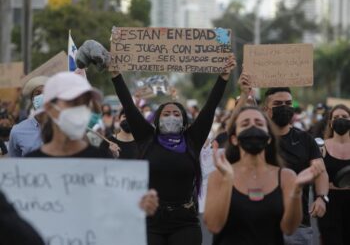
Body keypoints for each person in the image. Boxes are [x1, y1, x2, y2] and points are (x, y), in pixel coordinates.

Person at [109, 55, 236, 245]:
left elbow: (209, 108)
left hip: (184, 221)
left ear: (184, 122)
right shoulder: (146, 138)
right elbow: (128, 105)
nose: (171, 116)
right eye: (166, 114)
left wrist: (223, 77)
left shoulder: (192, 140)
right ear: (157, 120)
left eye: (176, 114)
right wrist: (116, 75)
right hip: (150, 219)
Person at [25, 71, 158, 216]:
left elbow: (116, 209)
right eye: (73, 103)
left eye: (85, 104)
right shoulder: (30, 166)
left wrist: (139, 205)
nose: (80, 110)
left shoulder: (101, 161)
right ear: (50, 108)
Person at [204, 106, 325, 245]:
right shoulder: (219, 176)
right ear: (234, 139)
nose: (253, 127)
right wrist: (227, 180)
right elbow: (214, 225)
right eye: (245, 124)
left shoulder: (286, 177)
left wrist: (296, 191)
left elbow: (289, 228)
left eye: (259, 123)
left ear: (268, 138)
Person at [263, 87, 329, 245]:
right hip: (262, 224)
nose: (284, 107)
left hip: (298, 226)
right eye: (278, 103)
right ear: (266, 109)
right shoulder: (257, 138)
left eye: (288, 103)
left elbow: (320, 171)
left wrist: (321, 198)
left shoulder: (305, 139)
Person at [318, 104, 350, 245]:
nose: (340, 119)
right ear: (330, 122)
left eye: (344, 117)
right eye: (336, 117)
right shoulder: (321, 148)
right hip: (330, 206)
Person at [8, 76, 49, 157]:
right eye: (38, 93)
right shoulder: (17, 131)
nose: (42, 96)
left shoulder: (61, 127)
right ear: (32, 99)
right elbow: (15, 161)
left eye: (46, 93)